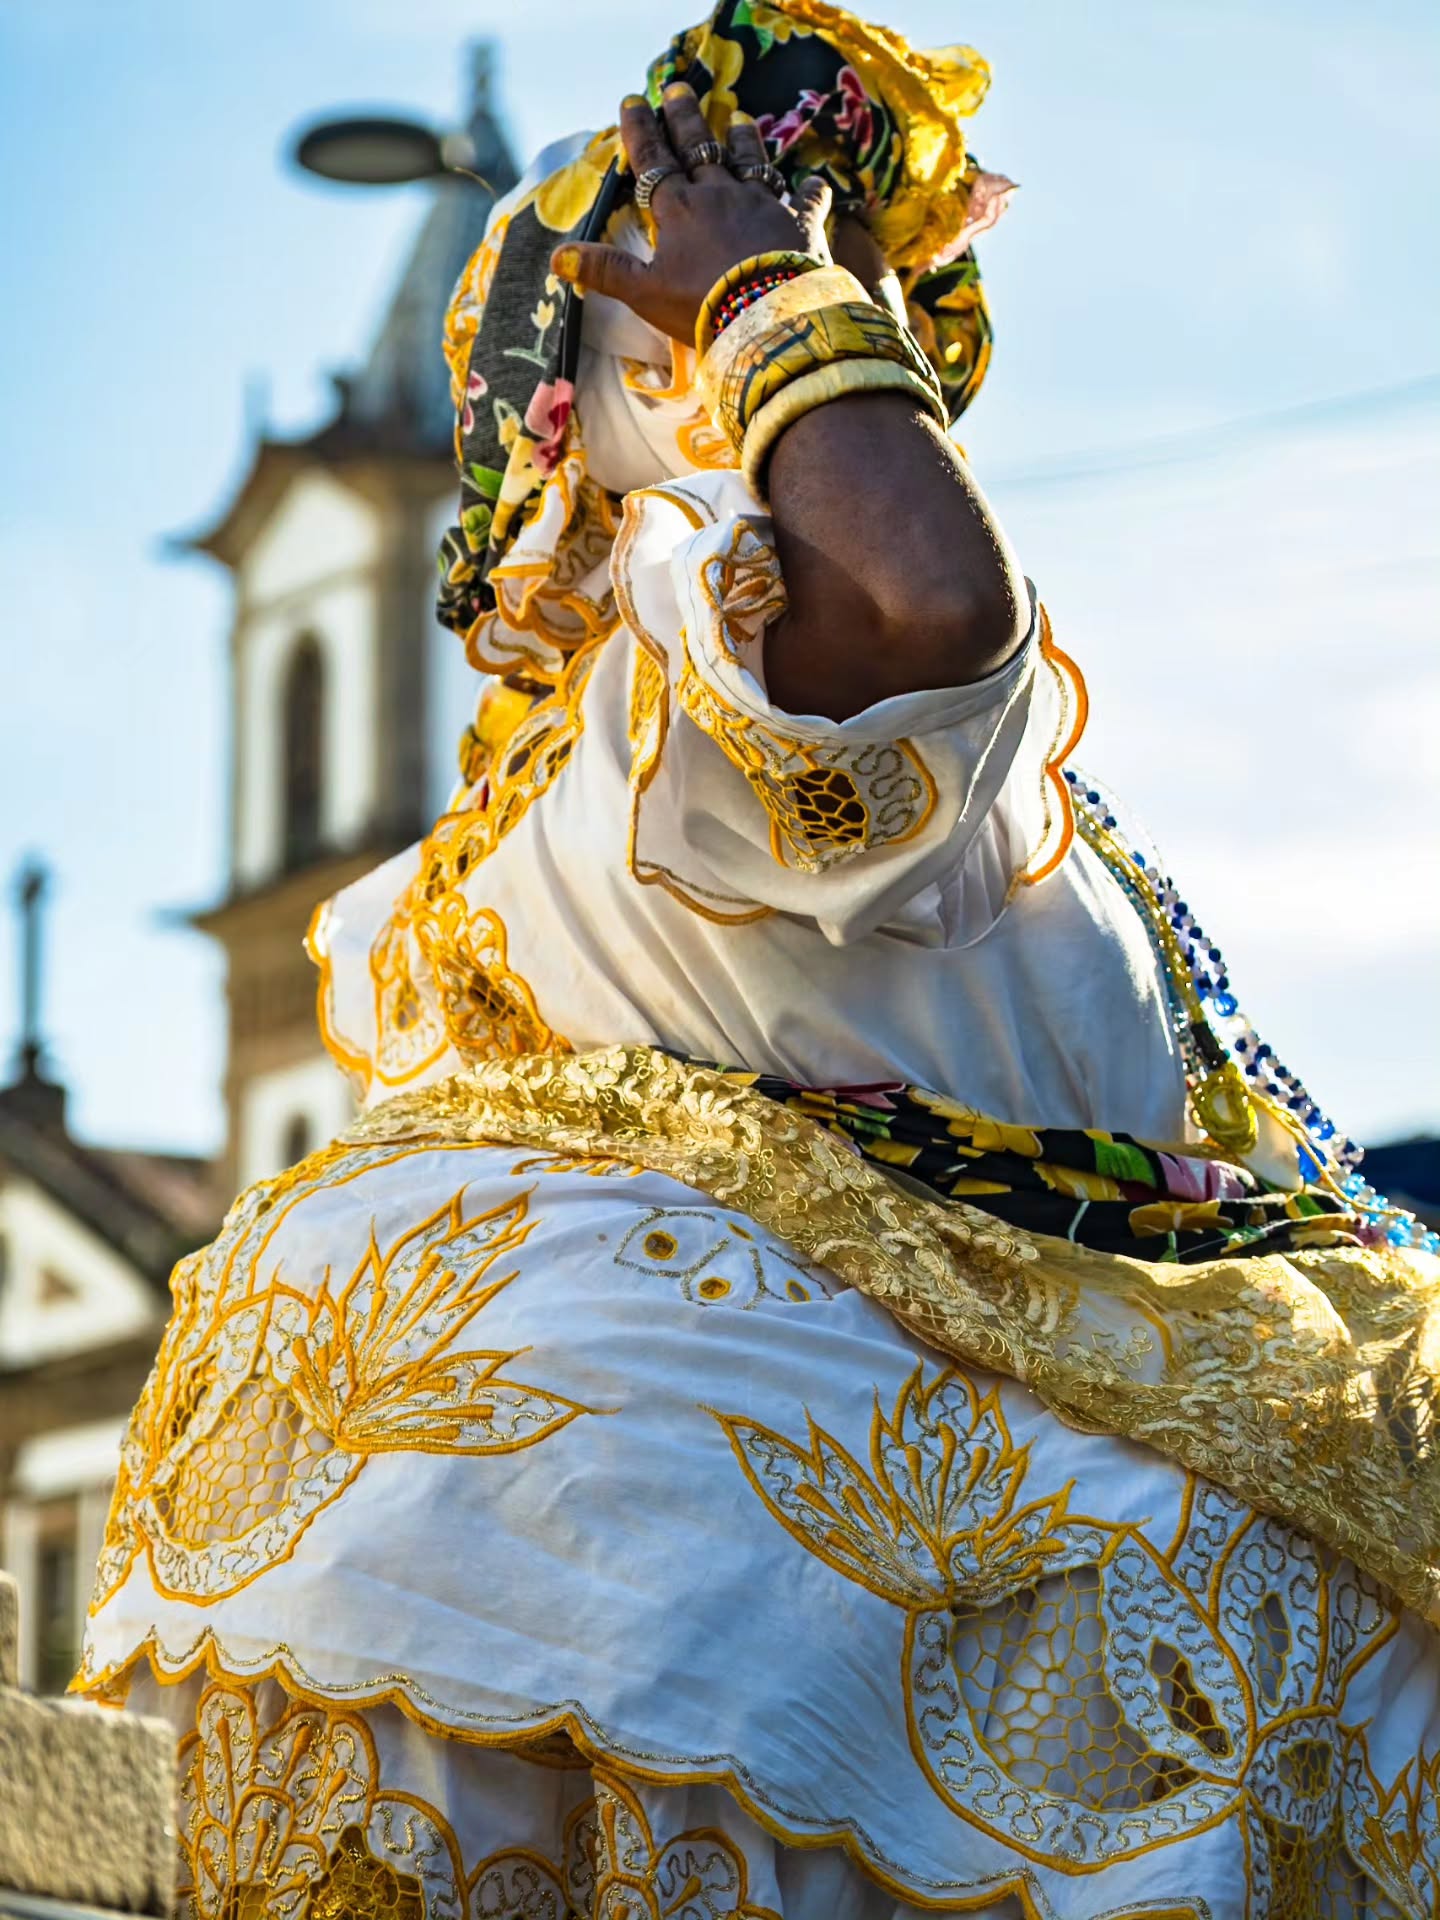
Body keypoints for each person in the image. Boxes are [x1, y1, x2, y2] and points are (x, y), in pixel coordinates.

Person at [77, 4, 1439, 1914]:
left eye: (849, 296)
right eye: (769, 297)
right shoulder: (701, 644)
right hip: (721, 1565)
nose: (837, 332)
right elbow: (942, 593)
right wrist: (767, 299)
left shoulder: (650, 723)